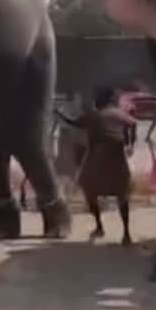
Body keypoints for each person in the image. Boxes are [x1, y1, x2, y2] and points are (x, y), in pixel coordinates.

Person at [56, 85, 138, 245]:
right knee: (122, 195)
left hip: (96, 160)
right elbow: (133, 124)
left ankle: (99, 226)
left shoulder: (94, 115)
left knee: (89, 189)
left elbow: (75, 122)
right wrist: (130, 143)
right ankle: (126, 233)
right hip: (117, 160)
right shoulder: (119, 114)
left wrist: (58, 113)